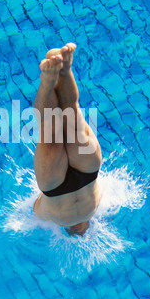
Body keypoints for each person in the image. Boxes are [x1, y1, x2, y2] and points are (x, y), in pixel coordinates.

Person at [33, 43, 103, 236]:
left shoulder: (97, 205)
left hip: (88, 172)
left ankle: (64, 69)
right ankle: (48, 80)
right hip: (55, 190)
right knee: (50, 128)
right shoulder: (48, 218)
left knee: (71, 110)